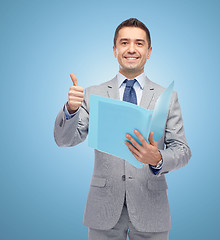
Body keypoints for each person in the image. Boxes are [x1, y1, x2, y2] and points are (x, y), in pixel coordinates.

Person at [54, 18, 191, 240]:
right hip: (103, 209)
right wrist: (71, 108)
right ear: (115, 50)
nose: (131, 49)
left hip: (151, 209)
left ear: (149, 51)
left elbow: (182, 150)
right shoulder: (92, 93)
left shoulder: (167, 97)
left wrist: (158, 158)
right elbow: (64, 140)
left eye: (139, 43)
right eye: (124, 42)